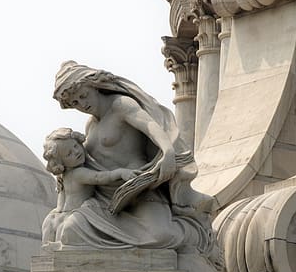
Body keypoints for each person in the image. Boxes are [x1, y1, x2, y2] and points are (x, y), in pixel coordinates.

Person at [45, 61, 213, 253]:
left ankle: (196, 235)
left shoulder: (120, 105)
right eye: (75, 103)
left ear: (94, 85)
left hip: (139, 190)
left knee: (161, 236)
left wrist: (167, 151)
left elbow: (150, 125)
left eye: (83, 95)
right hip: (106, 198)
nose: (82, 105)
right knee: (70, 231)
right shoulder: (90, 126)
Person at [41, 128, 138, 243]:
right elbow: (100, 177)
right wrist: (120, 172)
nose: (76, 152)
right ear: (61, 163)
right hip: (74, 214)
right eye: (69, 154)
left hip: (56, 217)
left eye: (75, 146)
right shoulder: (79, 173)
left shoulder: (61, 176)